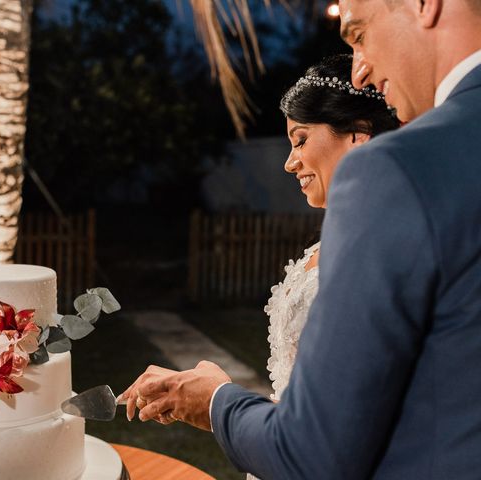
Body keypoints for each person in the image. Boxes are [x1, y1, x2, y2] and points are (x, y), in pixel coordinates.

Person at [119, 0, 481, 477]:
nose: (360, 71)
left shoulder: (398, 170)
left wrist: (215, 401)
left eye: (359, 34)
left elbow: (312, 453)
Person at [267, 53, 399, 404]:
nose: (290, 163)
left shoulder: (383, 246)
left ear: (357, 134)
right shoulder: (336, 238)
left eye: (300, 140)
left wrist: (219, 402)